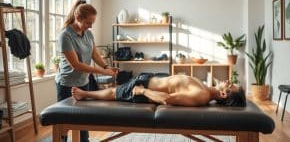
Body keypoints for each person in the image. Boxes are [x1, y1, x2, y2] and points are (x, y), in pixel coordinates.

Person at [55, 0, 119, 142]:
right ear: (78, 18)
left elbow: (94, 54)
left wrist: (106, 67)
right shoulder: (65, 35)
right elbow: (76, 65)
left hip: (83, 82)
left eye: (92, 23)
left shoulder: (88, 34)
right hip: (66, 84)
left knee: (83, 119)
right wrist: (103, 72)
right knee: (63, 121)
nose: (90, 26)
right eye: (88, 23)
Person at [71, 74, 246, 107]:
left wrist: (142, 91)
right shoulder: (206, 89)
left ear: (223, 94)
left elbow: (167, 99)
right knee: (114, 91)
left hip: (145, 89)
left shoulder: (201, 95)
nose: (229, 80)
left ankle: (84, 94)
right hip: (148, 79)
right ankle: (85, 93)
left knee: (113, 93)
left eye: (230, 85)